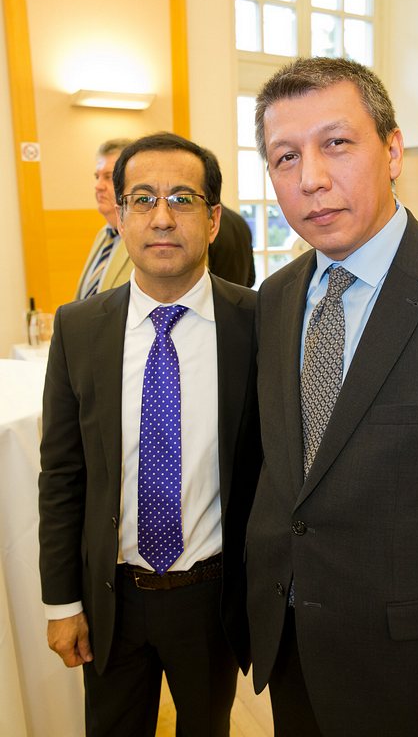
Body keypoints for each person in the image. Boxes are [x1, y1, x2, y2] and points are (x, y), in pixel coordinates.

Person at [245, 57, 418, 737]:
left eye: (336, 143)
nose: (311, 178)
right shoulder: (276, 297)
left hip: (411, 673)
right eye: (286, 157)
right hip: (290, 647)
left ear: (393, 150)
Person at [39, 132, 261, 736]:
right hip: (112, 597)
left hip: (212, 597)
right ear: (120, 216)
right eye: (142, 199)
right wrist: (62, 602)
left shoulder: (256, 324)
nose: (162, 218)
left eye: (183, 199)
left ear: (213, 220)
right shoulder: (79, 329)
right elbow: (61, 477)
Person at [75, 138, 133, 299]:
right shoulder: (104, 234)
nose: (98, 186)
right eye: (97, 177)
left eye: (108, 177)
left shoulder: (144, 239)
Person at [208, 203, 255, 287]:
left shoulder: (209, 226)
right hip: (241, 293)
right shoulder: (241, 222)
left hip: (214, 293)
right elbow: (251, 279)